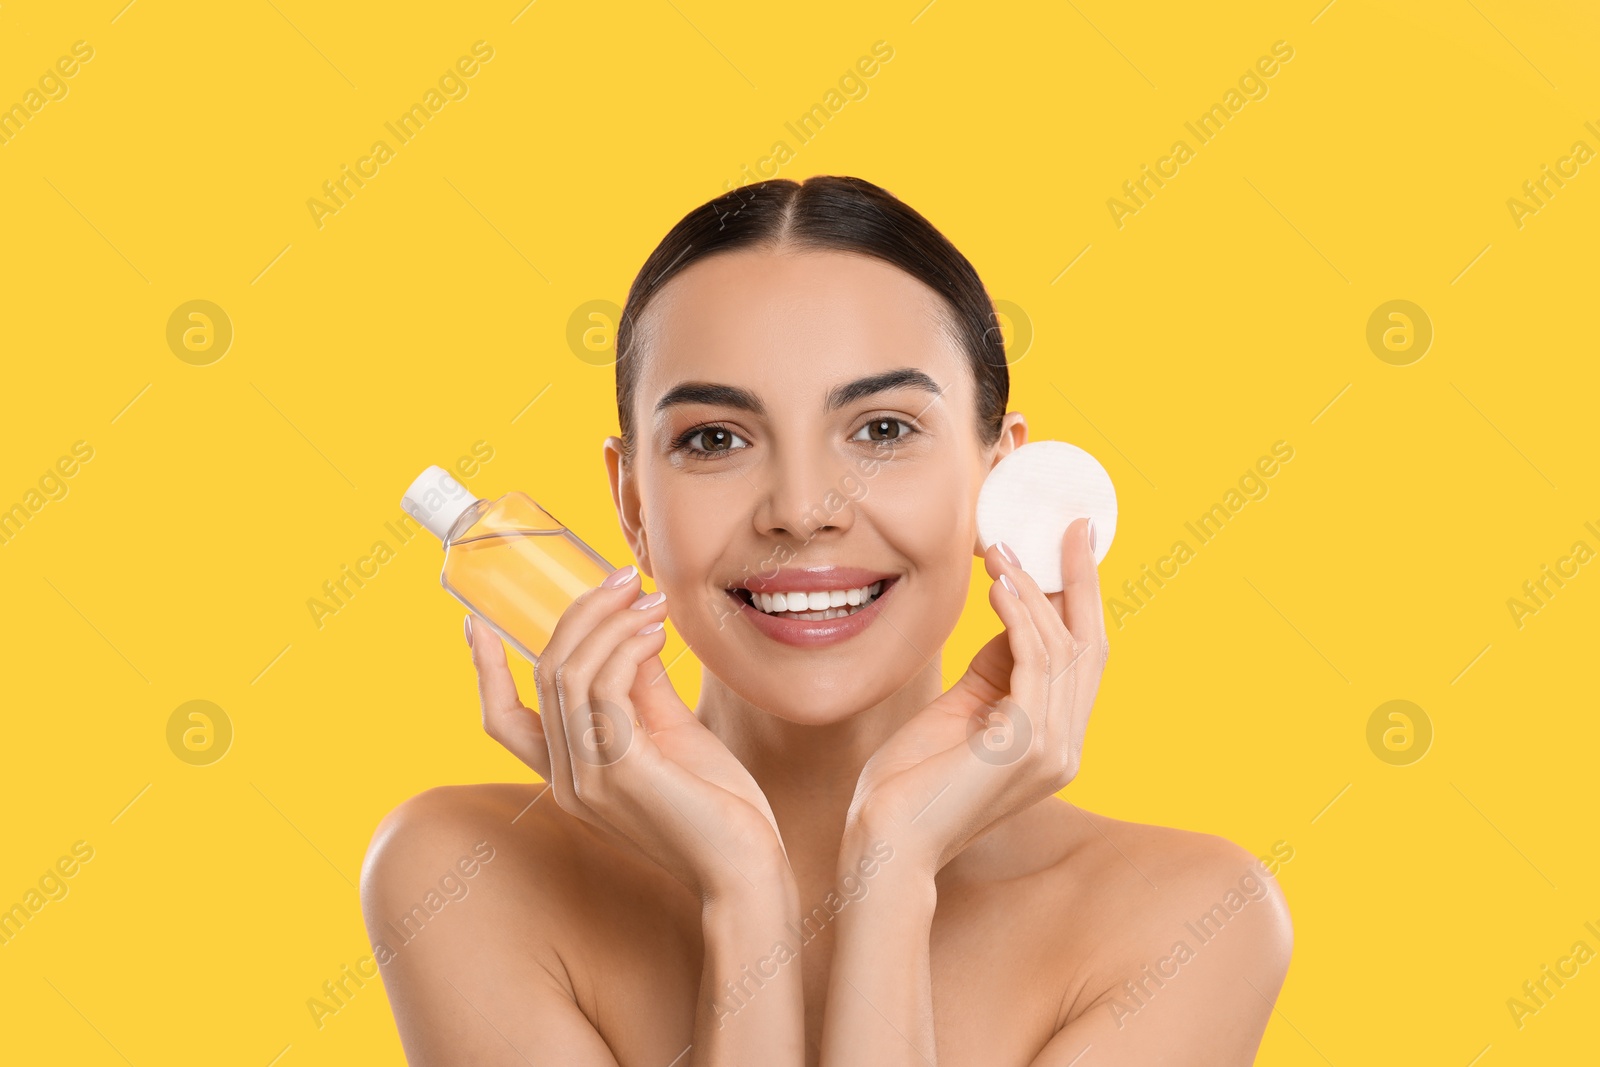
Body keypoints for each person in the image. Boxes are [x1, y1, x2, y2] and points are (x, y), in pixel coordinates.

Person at [360, 175, 1292, 1066]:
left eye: (882, 429)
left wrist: (891, 869)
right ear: (632, 504)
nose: (803, 509)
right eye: (715, 439)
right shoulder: (464, 877)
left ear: (1002, 478)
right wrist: (742, 889)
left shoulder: (1192, 920)